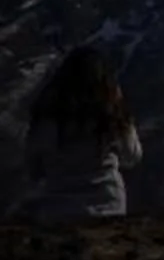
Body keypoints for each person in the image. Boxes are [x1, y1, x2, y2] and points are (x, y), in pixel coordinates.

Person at [17, 46, 142, 220]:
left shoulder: (48, 121)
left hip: (58, 208)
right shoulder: (111, 118)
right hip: (109, 206)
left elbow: (34, 168)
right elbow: (132, 157)